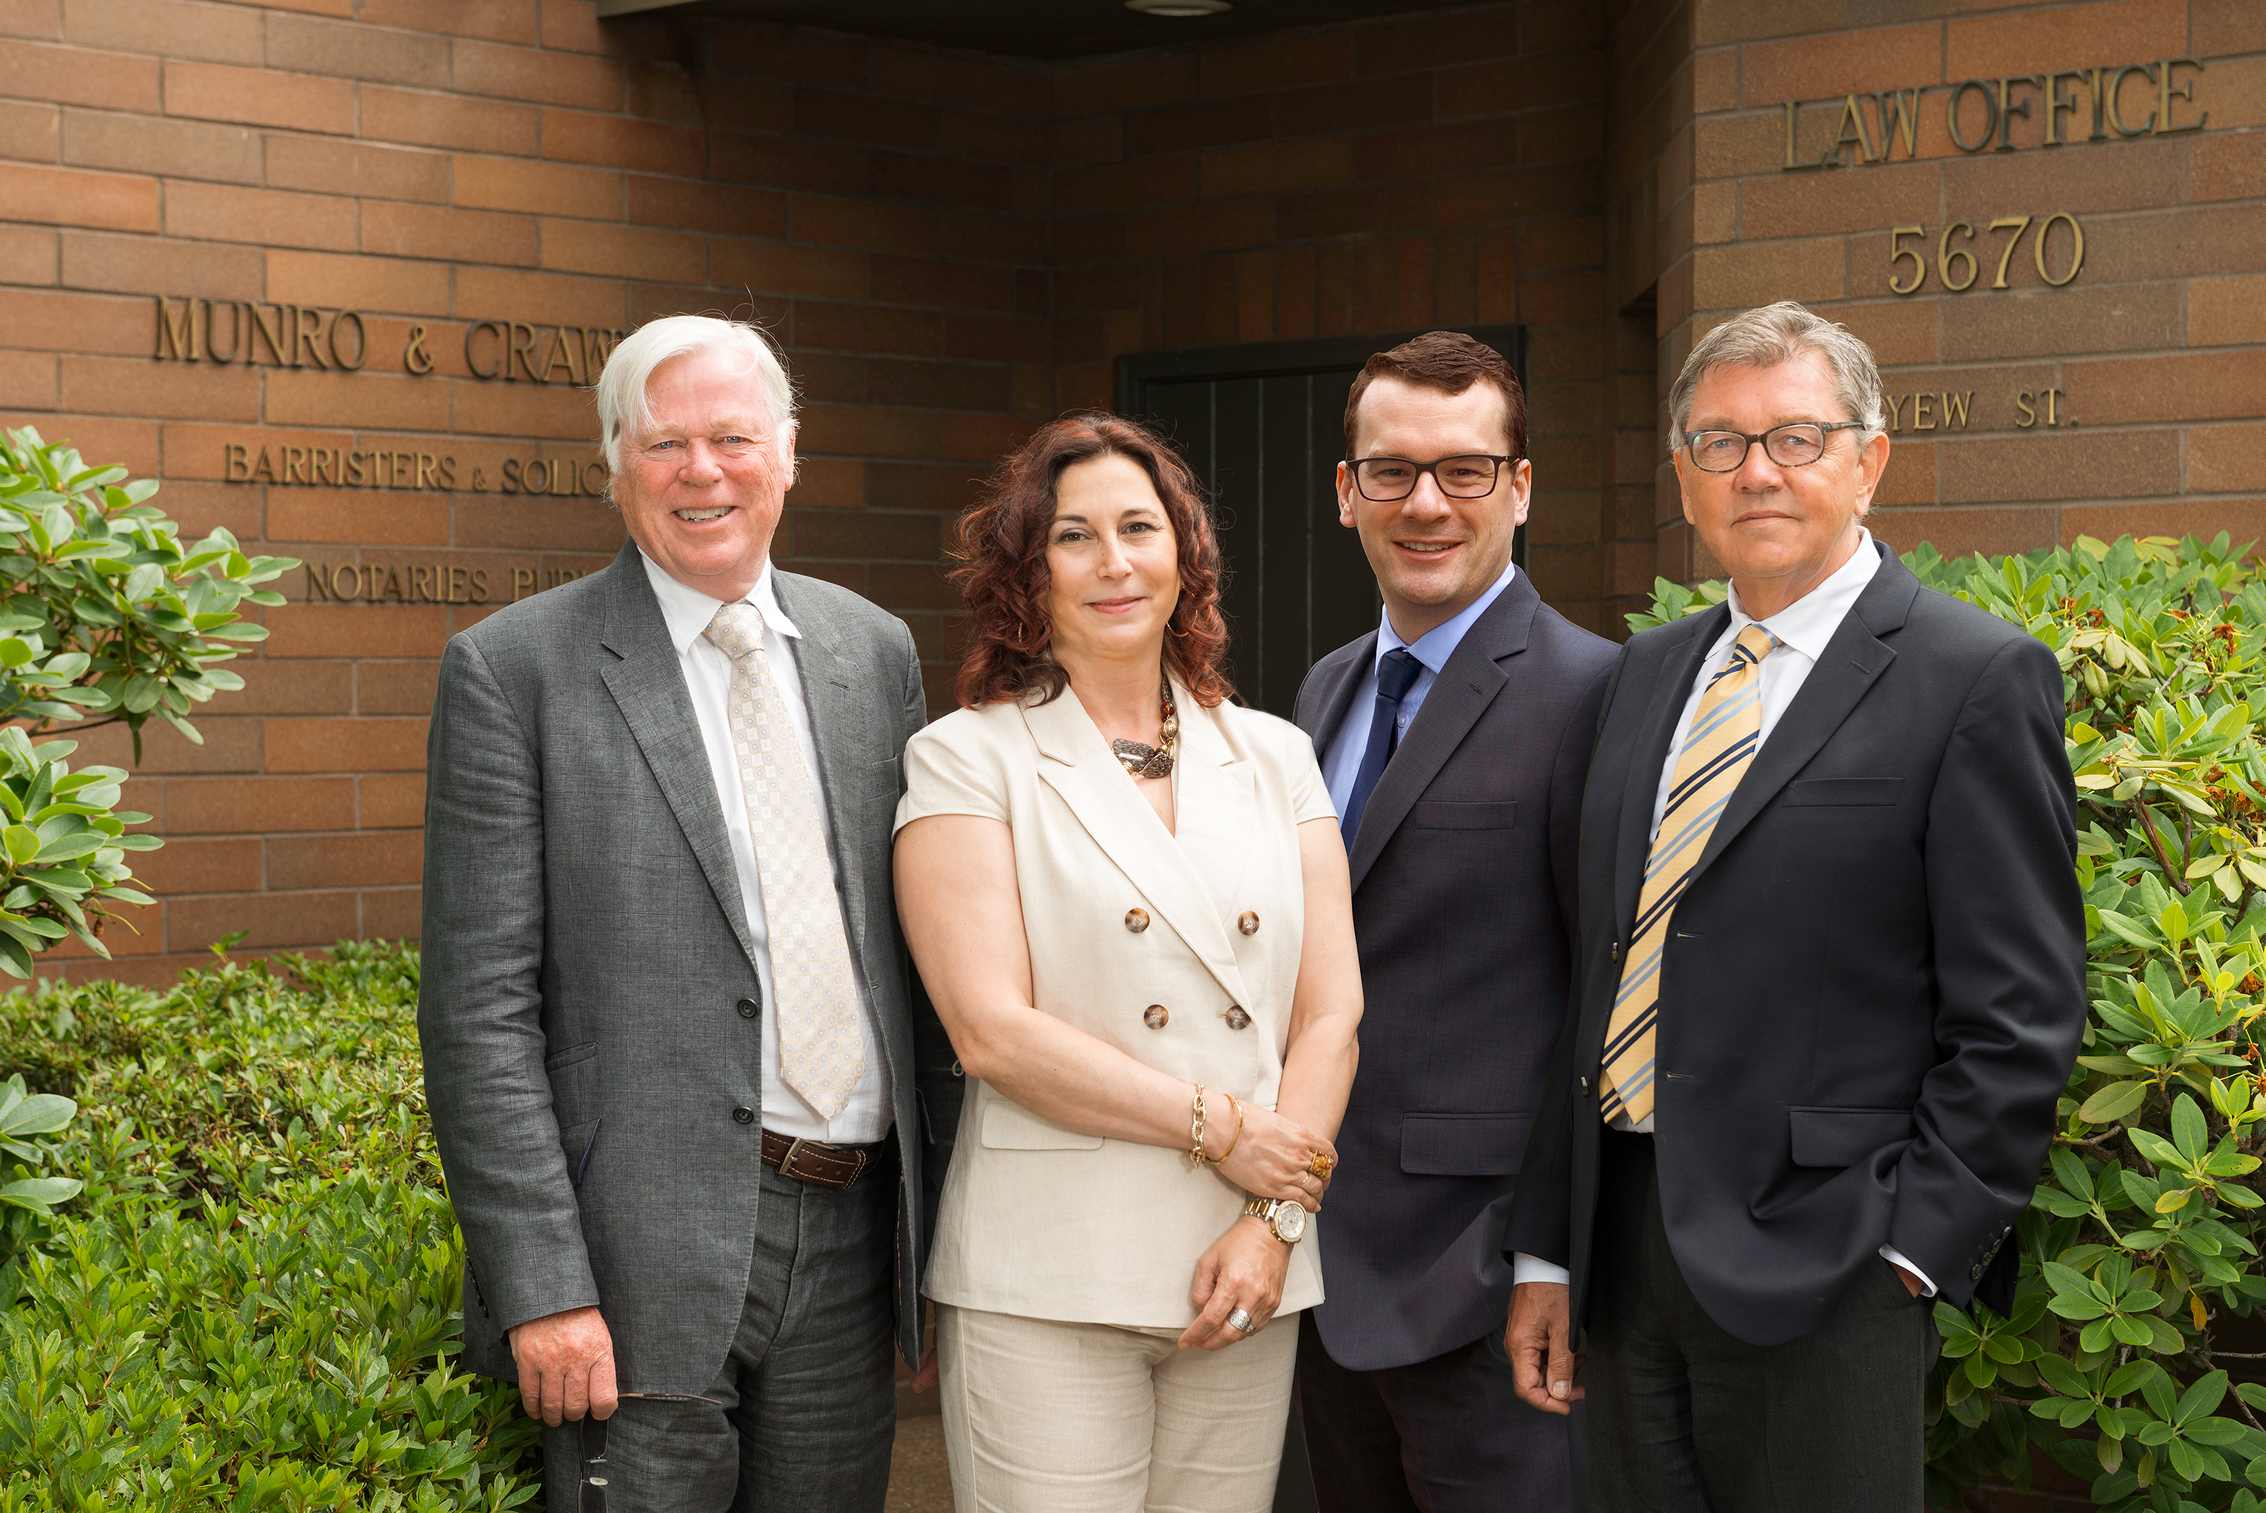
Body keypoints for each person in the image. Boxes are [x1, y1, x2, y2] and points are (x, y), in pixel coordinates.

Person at [1505, 300, 2086, 1511]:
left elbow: (2020, 1017)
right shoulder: (1646, 675)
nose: (1754, 471)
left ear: (1869, 461)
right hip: (1617, 1253)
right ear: (1682, 475)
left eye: (1794, 438)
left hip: (1829, 1264)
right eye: (1719, 443)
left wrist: (1910, 1255)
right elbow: (1595, 972)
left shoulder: (1972, 678)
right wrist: (1551, 1246)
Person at [417, 314, 958, 1511]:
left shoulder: (872, 653)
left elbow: (919, 962)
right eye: (664, 444)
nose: (701, 471)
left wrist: (943, 1235)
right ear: (613, 464)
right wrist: (544, 1285)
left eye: (731, 437)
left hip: (853, 1229)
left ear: (789, 452)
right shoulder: (515, 670)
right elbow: (477, 1016)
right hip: (634, 1262)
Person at [891, 412, 1364, 1513]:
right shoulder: (966, 756)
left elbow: (1329, 1013)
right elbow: (990, 1030)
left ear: (1183, 554)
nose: (1114, 562)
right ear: (1027, 570)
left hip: (1244, 1265)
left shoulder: (1273, 754)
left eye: (1140, 528)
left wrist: (1274, 1224)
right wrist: (1229, 1131)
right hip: (1048, 1277)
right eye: (1074, 535)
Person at [1290, 330, 1613, 1511]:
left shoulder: (1593, 693)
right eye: (1392, 470)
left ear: (1519, 490)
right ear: (1346, 494)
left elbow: (1607, 1004)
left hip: (1490, 1296)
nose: (1426, 502)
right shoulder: (1322, 691)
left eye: (1466, 470)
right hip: (1318, 1267)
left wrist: (1551, 1258)